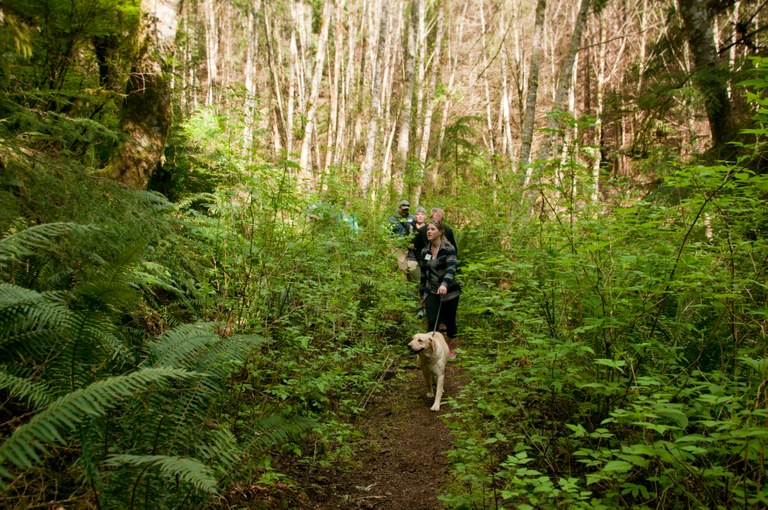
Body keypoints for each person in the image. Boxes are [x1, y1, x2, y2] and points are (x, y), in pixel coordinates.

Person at [419, 220, 461, 359]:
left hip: (450, 292)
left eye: (432, 229)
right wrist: (422, 296)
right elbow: (423, 275)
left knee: (450, 321)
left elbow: (451, 269)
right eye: (428, 230)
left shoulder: (449, 248)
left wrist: (444, 284)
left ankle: (452, 348)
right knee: (432, 322)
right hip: (431, 291)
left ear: (440, 231)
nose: (429, 232)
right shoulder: (425, 251)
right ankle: (431, 351)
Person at [389, 200, 419, 281]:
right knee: (403, 269)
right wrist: (391, 248)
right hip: (398, 247)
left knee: (411, 269)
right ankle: (403, 287)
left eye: (407, 209)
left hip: (410, 248)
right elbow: (389, 234)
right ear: (399, 208)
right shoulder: (393, 219)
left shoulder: (412, 218)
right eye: (403, 209)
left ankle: (410, 286)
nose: (405, 211)